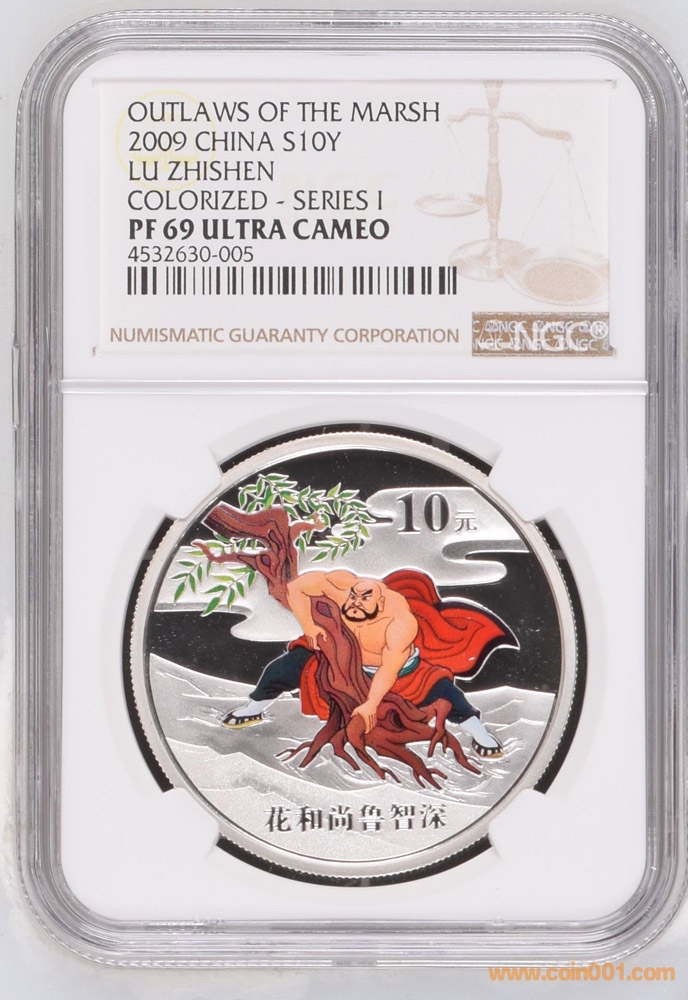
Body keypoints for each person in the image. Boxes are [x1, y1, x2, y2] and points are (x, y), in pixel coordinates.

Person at [222, 568, 515, 758]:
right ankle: (254, 707)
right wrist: (309, 627)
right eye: (353, 598)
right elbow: (297, 587)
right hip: (340, 657)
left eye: (364, 600)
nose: (355, 603)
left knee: (447, 694)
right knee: (285, 667)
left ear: (381, 602)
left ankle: (479, 732)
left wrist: (371, 704)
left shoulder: (399, 622)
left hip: (397, 671)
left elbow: (389, 668)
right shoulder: (340, 587)